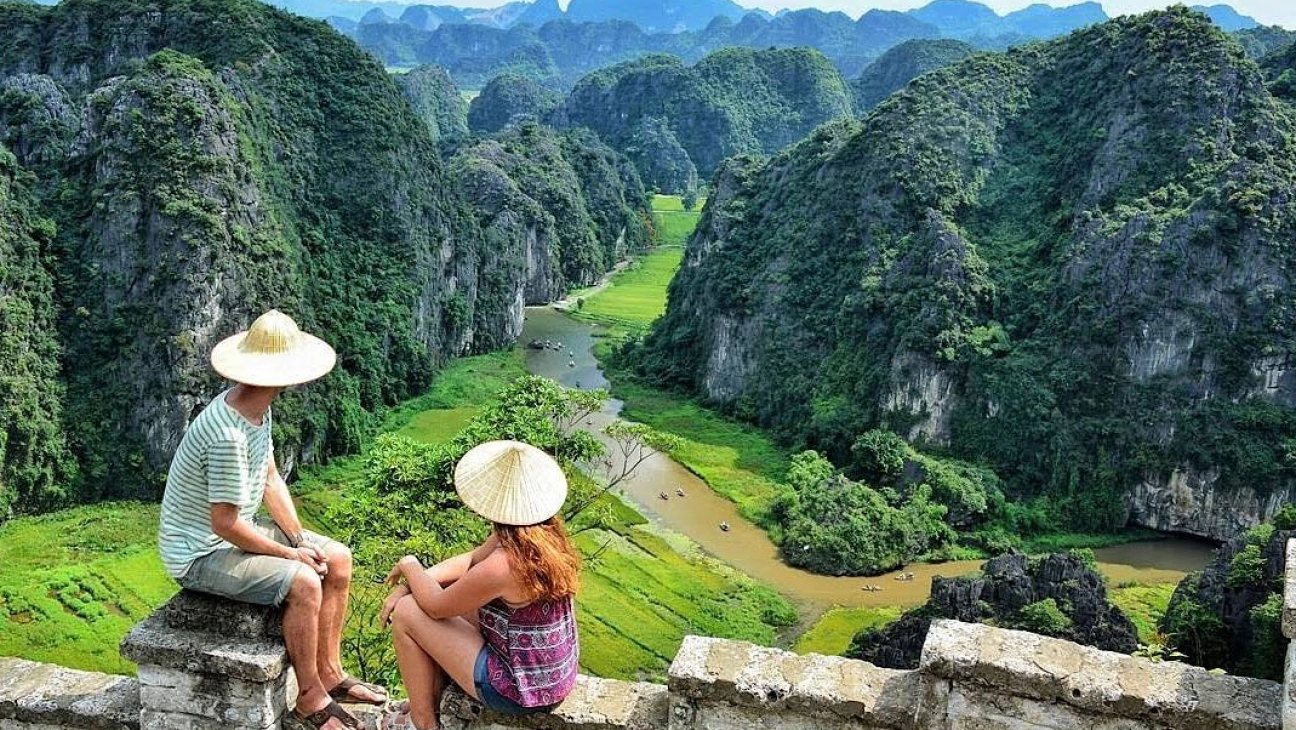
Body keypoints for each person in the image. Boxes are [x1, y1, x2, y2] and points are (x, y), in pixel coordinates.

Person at [157, 310, 386, 730]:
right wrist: (288, 555)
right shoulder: (228, 434)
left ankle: (331, 672)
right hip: (200, 553)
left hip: (233, 534)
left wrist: (300, 539)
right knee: (302, 583)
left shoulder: (255, 409)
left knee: (338, 558)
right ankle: (310, 696)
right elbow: (224, 524)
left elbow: (270, 477)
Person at [378, 440, 581, 730]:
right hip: (550, 676)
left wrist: (410, 567)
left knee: (409, 612)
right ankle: (427, 700)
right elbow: (472, 560)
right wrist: (416, 582)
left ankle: (422, 721)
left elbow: (436, 607)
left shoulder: (507, 564)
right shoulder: (540, 536)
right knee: (432, 600)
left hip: (518, 691)